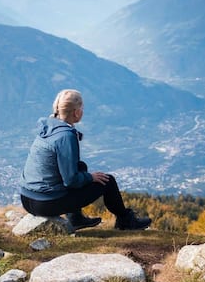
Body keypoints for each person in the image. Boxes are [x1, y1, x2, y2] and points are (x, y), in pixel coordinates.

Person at [20, 89, 151, 230]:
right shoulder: (66, 136)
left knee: (80, 166)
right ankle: (126, 222)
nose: (83, 111)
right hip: (45, 204)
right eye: (82, 108)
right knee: (108, 182)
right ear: (76, 112)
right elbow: (70, 180)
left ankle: (76, 218)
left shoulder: (48, 127)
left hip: (27, 199)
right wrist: (90, 178)